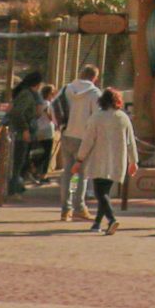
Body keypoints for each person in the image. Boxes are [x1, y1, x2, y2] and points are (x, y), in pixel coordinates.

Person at [80, 87, 137, 236]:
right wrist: (134, 161)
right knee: (104, 192)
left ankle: (111, 219)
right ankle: (97, 223)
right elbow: (131, 141)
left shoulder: (96, 117)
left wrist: (79, 158)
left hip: (98, 160)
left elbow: (87, 140)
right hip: (117, 161)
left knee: (100, 193)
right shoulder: (123, 118)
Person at [59, 65, 103, 222]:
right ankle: (79, 207)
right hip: (84, 137)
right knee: (81, 174)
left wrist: (60, 125)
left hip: (67, 134)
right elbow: (98, 116)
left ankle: (66, 209)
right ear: (94, 77)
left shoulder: (66, 89)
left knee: (68, 173)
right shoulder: (94, 93)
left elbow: (53, 107)